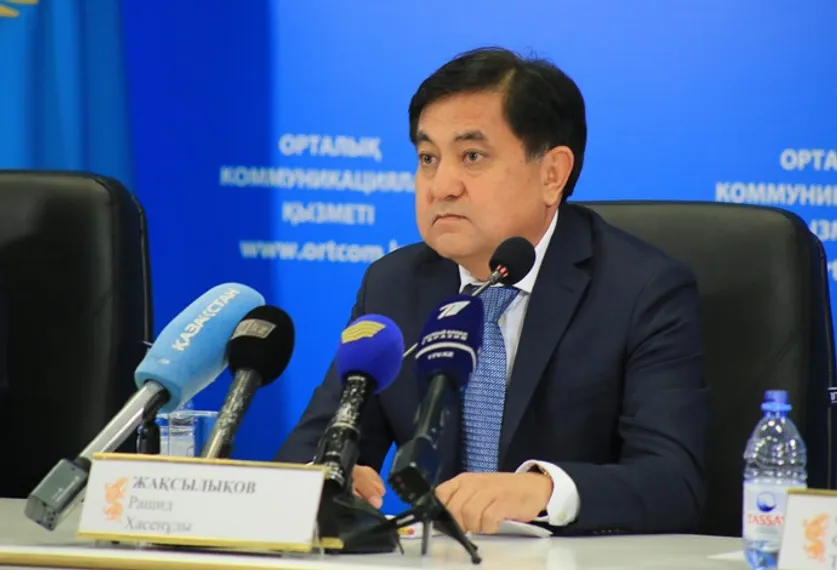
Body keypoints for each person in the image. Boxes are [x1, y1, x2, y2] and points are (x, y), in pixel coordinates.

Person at [276, 47, 709, 536]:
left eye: (472, 157)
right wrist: (324, 480)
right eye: (428, 158)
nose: (441, 185)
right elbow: (311, 447)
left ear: (552, 174)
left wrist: (543, 491)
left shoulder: (642, 290)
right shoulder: (394, 285)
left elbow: (675, 482)